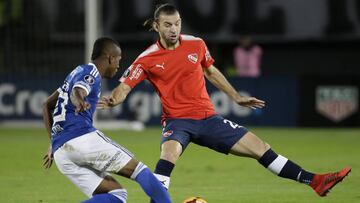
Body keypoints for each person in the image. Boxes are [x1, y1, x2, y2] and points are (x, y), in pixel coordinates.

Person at [97, 4, 351, 201]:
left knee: (260, 147)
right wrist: (113, 100)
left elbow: (210, 71)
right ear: (156, 26)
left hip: (209, 119)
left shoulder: (196, 44)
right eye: (167, 24)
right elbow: (125, 87)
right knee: (168, 155)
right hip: (178, 121)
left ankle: (315, 181)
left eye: (177, 23)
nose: (174, 29)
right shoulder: (147, 59)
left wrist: (236, 97)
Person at [42, 37, 172, 203]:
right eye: (118, 59)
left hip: (62, 152)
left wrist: (53, 141)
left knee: (117, 195)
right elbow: (78, 91)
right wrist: (79, 100)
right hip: (82, 139)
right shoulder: (91, 71)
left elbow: (47, 105)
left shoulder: (75, 72)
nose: (118, 65)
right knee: (140, 170)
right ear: (110, 57)